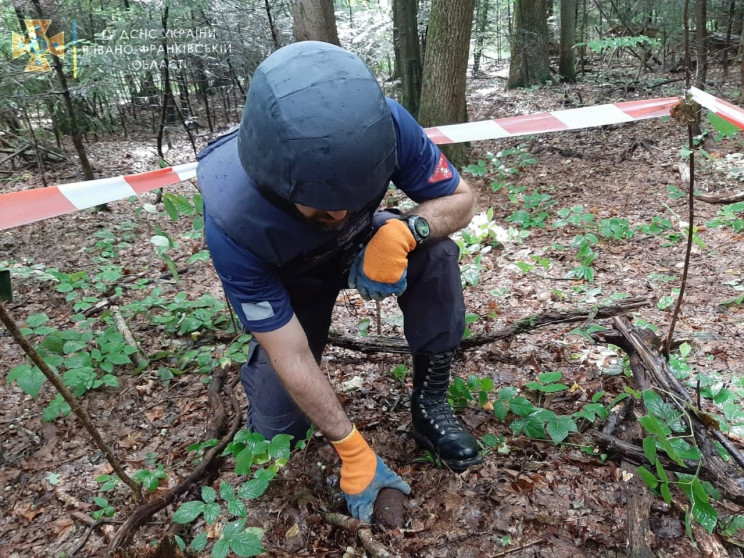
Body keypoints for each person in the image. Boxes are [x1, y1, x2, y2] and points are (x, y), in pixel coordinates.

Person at [197, 41, 481, 523]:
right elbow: (290, 352)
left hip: (364, 244)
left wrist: (403, 232)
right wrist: (352, 449)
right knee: (278, 431)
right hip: (290, 277)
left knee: (437, 251)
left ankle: (430, 402)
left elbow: (460, 199)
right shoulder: (235, 226)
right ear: (279, 184)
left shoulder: (381, 127)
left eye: (354, 194)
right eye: (323, 204)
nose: (342, 212)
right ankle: (261, 387)